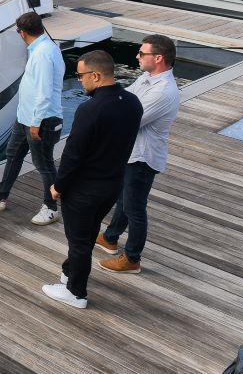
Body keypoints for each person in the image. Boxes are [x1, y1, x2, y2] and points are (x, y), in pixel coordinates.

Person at [43, 50, 142, 309]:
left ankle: (76, 292)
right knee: (87, 234)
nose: (80, 81)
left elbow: (73, 154)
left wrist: (58, 186)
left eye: (81, 76)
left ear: (96, 75)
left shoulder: (90, 109)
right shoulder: (133, 102)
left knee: (79, 241)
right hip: (112, 185)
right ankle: (69, 272)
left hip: (84, 189)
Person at [97, 34, 180, 274]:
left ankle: (132, 258)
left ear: (158, 58)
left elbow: (130, 118)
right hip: (130, 152)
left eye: (141, 53)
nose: (137, 56)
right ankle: (111, 238)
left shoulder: (164, 91)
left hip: (143, 158)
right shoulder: (146, 77)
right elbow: (124, 97)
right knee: (124, 199)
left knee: (135, 208)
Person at [0, 12, 65, 225]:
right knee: (13, 154)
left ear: (22, 33)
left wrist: (36, 122)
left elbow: (44, 92)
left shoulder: (43, 53)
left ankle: (51, 208)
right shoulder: (43, 47)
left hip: (40, 120)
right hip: (25, 117)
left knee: (44, 163)